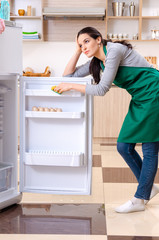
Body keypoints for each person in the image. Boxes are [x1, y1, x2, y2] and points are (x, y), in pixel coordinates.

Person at [54, 27, 159, 213]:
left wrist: (71, 86)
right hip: (140, 99)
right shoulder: (96, 62)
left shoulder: (114, 51)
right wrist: (77, 51)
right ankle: (149, 187)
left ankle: (140, 199)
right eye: (80, 44)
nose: (84, 47)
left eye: (86, 42)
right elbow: (67, 76)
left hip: (155, 93)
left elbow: (102, 89)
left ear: (99, 39)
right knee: (123, 146)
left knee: (149, 148)